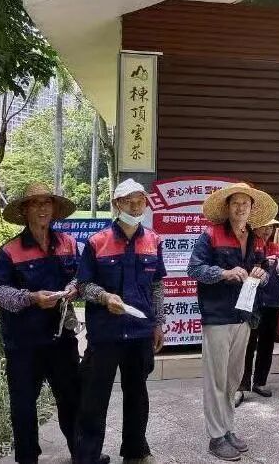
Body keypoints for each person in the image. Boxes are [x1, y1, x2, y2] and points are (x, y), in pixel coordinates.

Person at [0, 183, 110, 464]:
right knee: (23, 404)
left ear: (54, 209)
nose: (43, 208)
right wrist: (31, 298)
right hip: (23, 342)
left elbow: (81, 276)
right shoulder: (10, 251)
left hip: (60, 337)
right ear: (24, 210)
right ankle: (27, 458)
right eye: (35, 203)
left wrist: (73, 288)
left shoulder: (68, 243)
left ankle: (82, 455)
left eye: (47, 202)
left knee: (72, 397)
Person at [75, 179, 166, 464]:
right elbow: (83, 286)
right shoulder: (97, 242)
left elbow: (157, 286)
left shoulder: (153, 240)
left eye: (140, 200)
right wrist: (104, 297)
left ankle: (135, 452)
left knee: (137, 394)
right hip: (105, 334)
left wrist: (158, 323)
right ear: (117, 204)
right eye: (128, 200)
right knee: (94, 397)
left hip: (139, 332)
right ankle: (88, 456)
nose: (135, 206)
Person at [188, 182, 278, 462]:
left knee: (233, 379)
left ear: (252, 208)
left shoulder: (255, 238)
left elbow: (264, 271)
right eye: (235, 203)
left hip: (244, 315)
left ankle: (227, 429)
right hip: (217, 316)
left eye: (245, 204)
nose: (240, 208)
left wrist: (262, 275)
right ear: (227, 207)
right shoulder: (210, 234)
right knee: (216, 379)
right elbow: (194, 269)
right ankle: (216, 436)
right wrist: (224, 273)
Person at [236, 218, 279, 405]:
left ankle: (260, 381)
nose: (267, 230)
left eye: (271, 226)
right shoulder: (248, 245)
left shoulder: (278, 248)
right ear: (255, 226)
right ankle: (241, 385)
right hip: (253, 301)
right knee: (248, 344)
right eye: (264, 226)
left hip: (273, 301)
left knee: (267, 343)